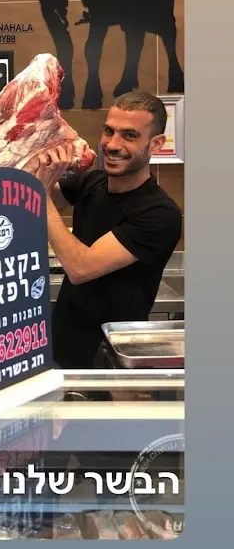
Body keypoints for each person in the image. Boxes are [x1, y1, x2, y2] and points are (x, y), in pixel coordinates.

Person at [29, 90, 182, 369]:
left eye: (129, 135)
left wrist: (40, 191)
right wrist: (37, 156)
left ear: (156, 144)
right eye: (109, 131)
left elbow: (80, 268)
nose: (112, 144)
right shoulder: (92, 183)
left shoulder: (159, 213)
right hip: (62, 347)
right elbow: (31, 201)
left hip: (111, 359)